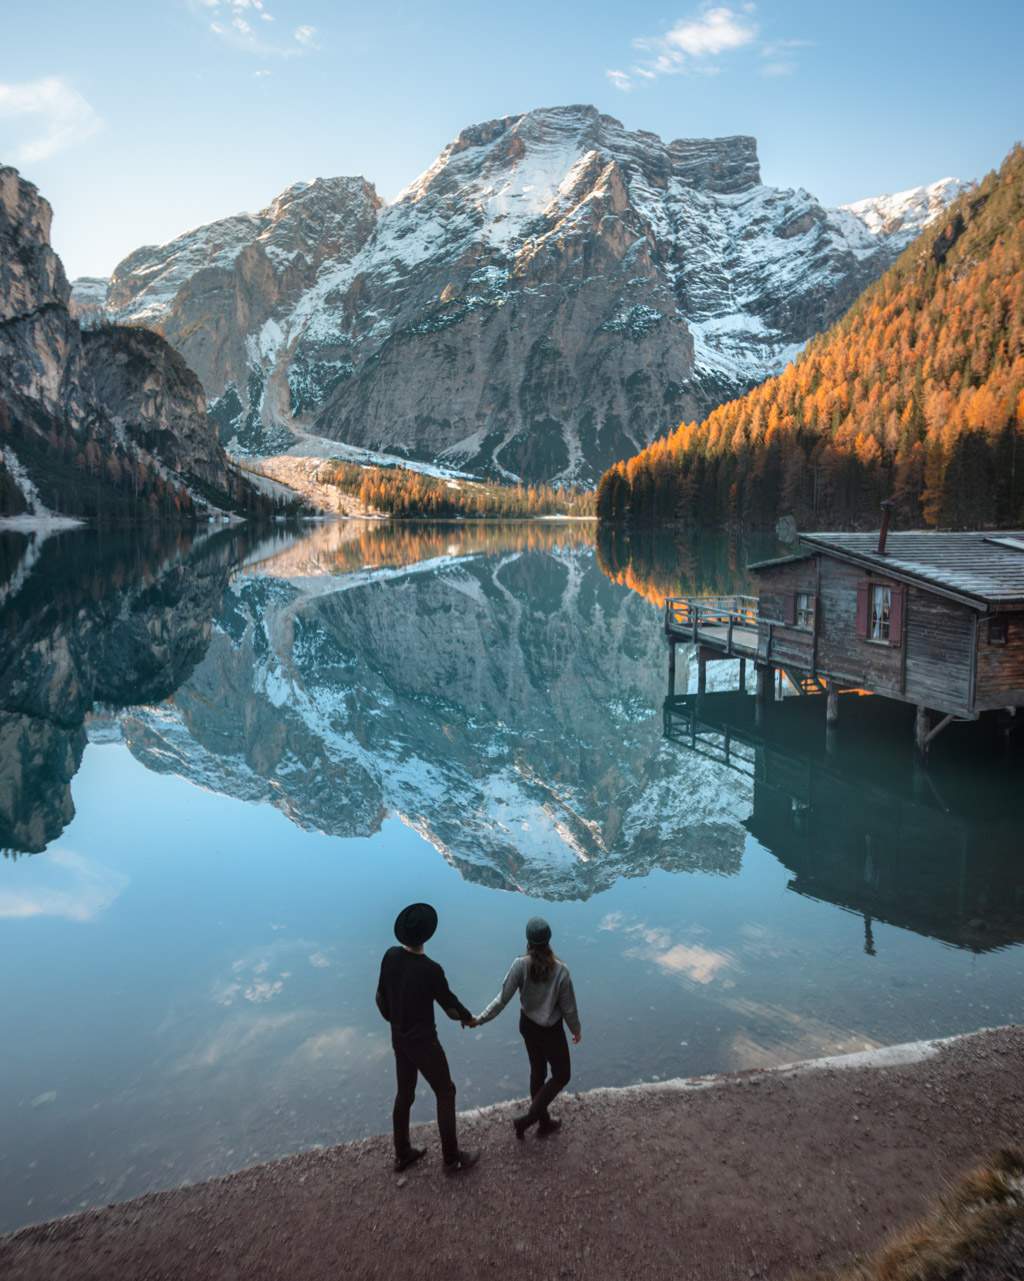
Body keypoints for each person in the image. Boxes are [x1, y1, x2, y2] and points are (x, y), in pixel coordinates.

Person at [375, 902, 480, 1175]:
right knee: (446, 1091)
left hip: (399, 1038)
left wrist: (396, 1022)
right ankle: (451, 1159)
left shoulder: (389, 956)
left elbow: (380, 999)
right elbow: (449, 1006)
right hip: (423, 1042)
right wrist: (468, 1018)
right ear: (427, 935)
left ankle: (402, 1153)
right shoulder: (430, 969)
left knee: (405, 1094)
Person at [474, 916, 581, 1138]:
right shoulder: (561, 971)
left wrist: (480, 1019)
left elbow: (501, 1000)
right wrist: (576, 1030)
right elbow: (569, 1008)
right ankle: (530, 1119)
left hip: (528, 1027)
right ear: (549, 940)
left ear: (528, 941)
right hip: (551, 1031)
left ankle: (544, 1122)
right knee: (562, 1075)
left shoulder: (520, 965)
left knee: (538, 1072)